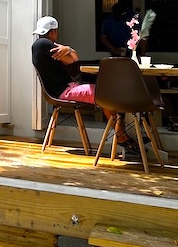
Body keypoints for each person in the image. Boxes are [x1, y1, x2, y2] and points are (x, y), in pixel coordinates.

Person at [31, 15, 140, 151]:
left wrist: (68, 49)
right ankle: (121, 136)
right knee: (105, 94)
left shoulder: (40, 44)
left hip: (65, 89)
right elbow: (71, 60)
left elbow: (73, 58)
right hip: (63, 92)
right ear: (54, 31)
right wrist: (68, 50)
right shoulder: (44, 44)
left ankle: (121, 134)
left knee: (105, 92)